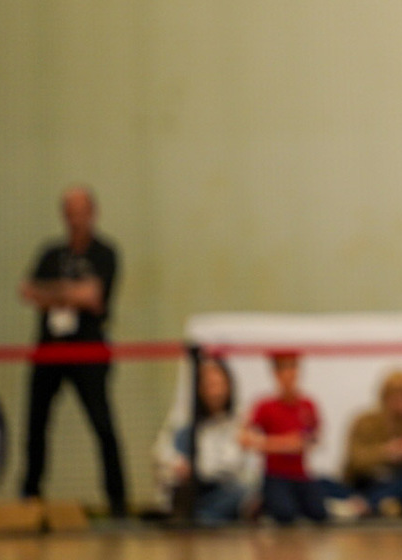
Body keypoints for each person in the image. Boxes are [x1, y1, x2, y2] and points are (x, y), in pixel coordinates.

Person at [18, 185, 128, 517]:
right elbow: (28, 291)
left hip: (88, 351)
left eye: (80, 211)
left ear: (92, 213)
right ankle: (30, 496)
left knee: (102, 424)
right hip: (49, 350)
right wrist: (71, 292)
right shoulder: (51, 254)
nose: (75, 218)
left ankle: (118, 502)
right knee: (36, 423)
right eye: (69, 211)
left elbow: (94, 296)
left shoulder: (105, 253)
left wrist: (52, 293)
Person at [152, 356, 254, 525]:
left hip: (220, 488)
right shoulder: (185, 421)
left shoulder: (237, 422)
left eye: (219, 384)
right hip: (191, 487)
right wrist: (177, 464)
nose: (215, 392)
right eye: (209, 385)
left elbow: (233, 465)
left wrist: (199, 468)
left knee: (240, 493)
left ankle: (199, 518)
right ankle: (195, 516)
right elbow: (161, 452)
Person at [241, 352, 327, 525]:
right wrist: (284, 444)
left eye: (293, 367)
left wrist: (303, 443)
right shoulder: (265, 406)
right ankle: (264, 503)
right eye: (283, 368)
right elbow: (244, 438)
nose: (289, 374)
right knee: (285, 515)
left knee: (319, 513)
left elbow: (316, 438)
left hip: (301, 475)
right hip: (275, 475)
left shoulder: (307, 405)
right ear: (276, 373)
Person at [344, 369, 402, 517]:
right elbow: (355, 460)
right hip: (366, 482)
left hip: (396, 485)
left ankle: (370, 505)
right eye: (397, 395)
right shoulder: (365, 422)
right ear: (385, 397)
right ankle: (379, 504)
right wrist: (387, 452)